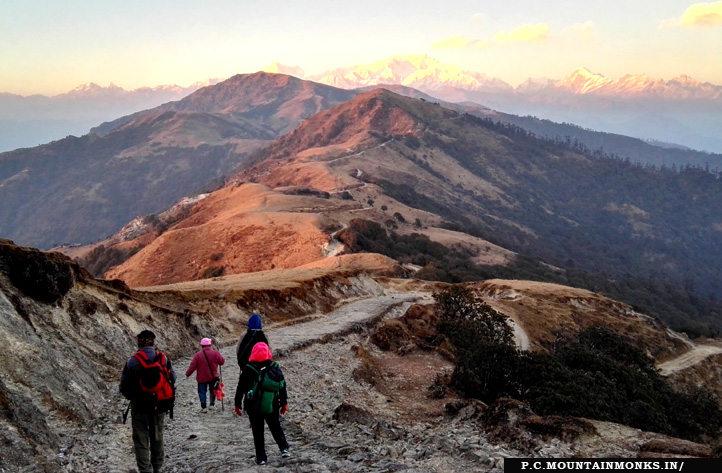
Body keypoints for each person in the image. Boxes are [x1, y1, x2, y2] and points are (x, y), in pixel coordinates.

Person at [120, 330, 176, 473]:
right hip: (160, 404)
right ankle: (157, 467)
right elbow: (173, 379)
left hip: (139, 406)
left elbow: (123, 386)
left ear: (139, 343)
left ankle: (145, 470)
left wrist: (133, 397)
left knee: (140, 439)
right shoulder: (164, 359)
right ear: (153, 342)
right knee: (157, 437)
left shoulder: (132, 361)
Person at [234, 342, 290, 465]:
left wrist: (237, 403)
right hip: (272, 403)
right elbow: (282, 386)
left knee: (257, 431)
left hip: (252, 405)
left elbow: (241, 388)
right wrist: (284, 403)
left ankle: (261, 458)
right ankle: (284, 448)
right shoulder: (275, 367)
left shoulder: (248, 369)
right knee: (275, 426)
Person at [186, 337, 225, 413]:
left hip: (202, 378)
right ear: (210, 345)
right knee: (213, 390)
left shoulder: (198, 355)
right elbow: (222, 362)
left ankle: (203, 407)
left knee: (202, 391)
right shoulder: (215, 353)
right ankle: (212, 405)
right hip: (213, 377)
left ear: (201, 346)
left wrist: (188, 374)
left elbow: (192, 366)